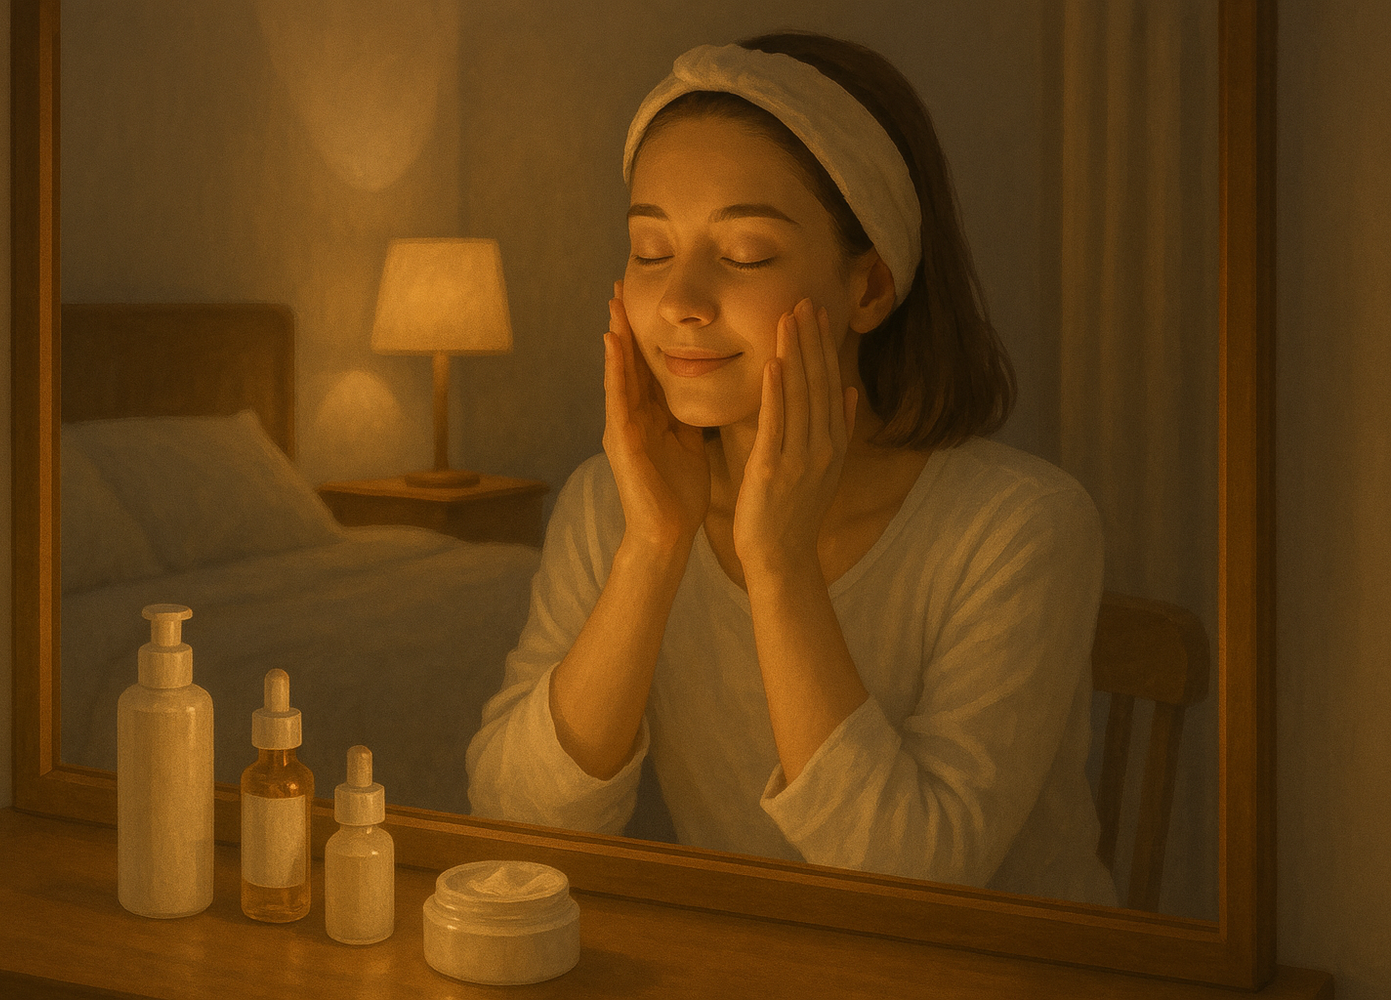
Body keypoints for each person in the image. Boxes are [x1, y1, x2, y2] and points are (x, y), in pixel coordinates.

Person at [466, 32, 1117, 907]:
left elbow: (916, 885)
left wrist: (779, 565)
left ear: (869, 288)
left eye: (745, 255)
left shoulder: (1021, 526)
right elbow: (516, 824)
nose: (681, 301)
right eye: (650, 250)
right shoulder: (610, 506)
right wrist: (651, 548)